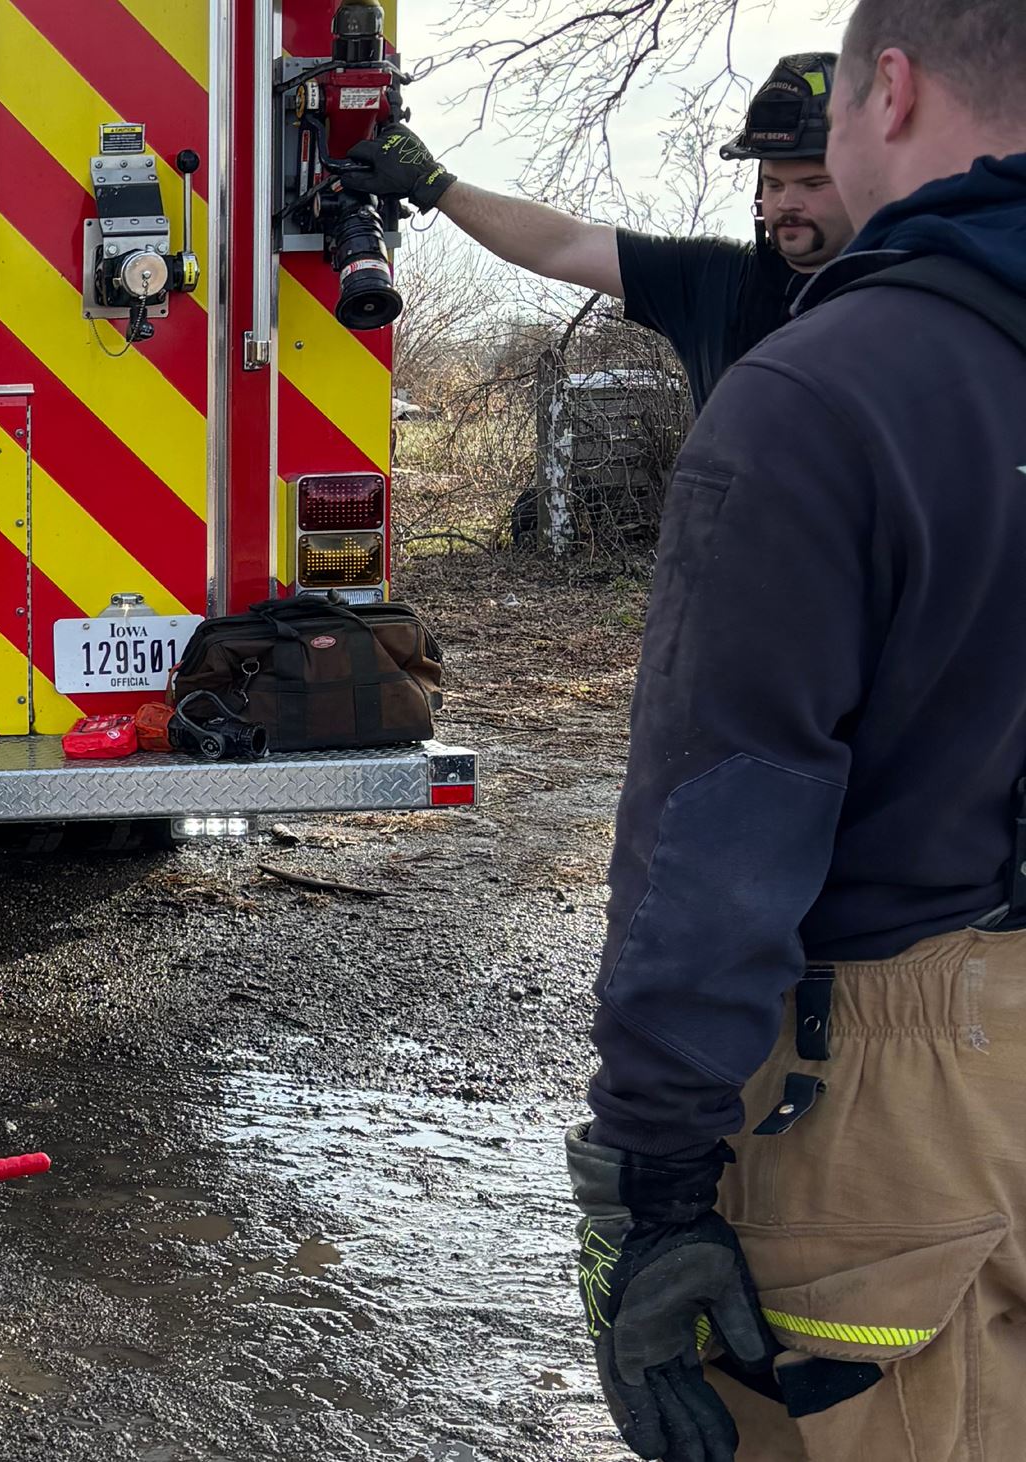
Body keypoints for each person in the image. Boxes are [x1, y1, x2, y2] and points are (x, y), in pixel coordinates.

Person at [553, 1, 1026, 1457]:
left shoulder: (827, 398)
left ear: (889, 90)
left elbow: (724, 828)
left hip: (892, 1078)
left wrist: (653, 1177)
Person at [334, 54, 856, 410]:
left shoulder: (918, 291)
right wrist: (436, 185)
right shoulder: (716, 281)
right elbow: (564, 244)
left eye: (814, 183)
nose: (788, 203)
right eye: (774, 181)